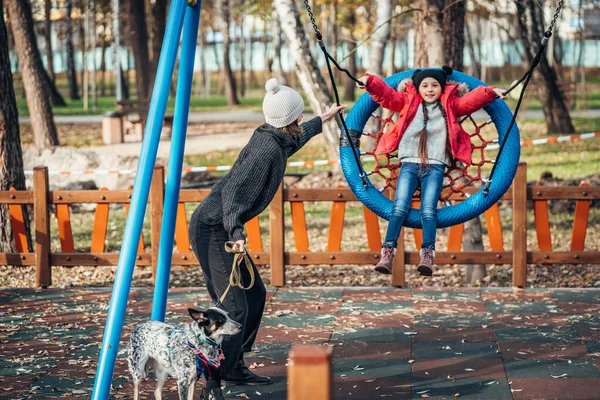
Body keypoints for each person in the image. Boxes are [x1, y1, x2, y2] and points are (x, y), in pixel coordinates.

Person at [189, 78, 346, 400]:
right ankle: (216, 373)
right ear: (292, 118)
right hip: (214, 229)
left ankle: (234, 361)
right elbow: (232, 194)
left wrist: (324, 119)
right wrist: (236, 234)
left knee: (255, 295)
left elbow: (292, 141)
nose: (301, 122)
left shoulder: (272, 135)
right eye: (300, 117)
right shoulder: (265, 150)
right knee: (234, 307)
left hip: (221, 228)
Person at [356, 66, 505, 276]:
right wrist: (369, 81)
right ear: (417, 88)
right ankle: (388, 252)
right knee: (399, 207)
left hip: (435, 167)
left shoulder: (449, 105)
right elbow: (386, 96)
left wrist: (490, 92)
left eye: (434, 85)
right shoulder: (407, 102)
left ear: (442, 87)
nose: (429, 89)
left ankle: (427, 253)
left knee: (428, 210)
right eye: (425, 85)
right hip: (409, 164)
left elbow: (469, 102)